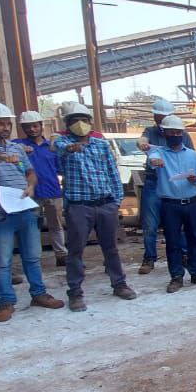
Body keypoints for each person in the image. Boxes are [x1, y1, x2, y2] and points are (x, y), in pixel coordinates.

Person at [0, 102, 60, 322]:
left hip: (24, 208)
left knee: (33, 257)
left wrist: (30, 186)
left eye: (8, 124)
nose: (6, 128)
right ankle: (6, 301)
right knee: (2, 260)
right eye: (0, 124)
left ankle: (38, 293)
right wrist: (1, 156)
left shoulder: (15, 147)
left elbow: (30, 172)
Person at [55, 103, 136, 310]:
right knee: (75, 250)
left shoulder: (101, 145)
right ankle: (75, 292)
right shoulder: (63, 144)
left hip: (105, 203)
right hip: (79, 206)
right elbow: (56, 151)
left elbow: (112, 173)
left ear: (90, 123)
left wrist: (116, 201)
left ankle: (119, 284)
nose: (80, 124)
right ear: (67, 124)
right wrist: (69, 149)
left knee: (111, 248)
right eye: (75, 121)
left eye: (84, 120)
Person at [146, 115, 196, 293]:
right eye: (171, 132)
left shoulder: (192, 155)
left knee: (193, 239)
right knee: (173, 242)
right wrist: (154, 161)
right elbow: (151, 158)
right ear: (165, 133)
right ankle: (176, 275)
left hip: (192, 202)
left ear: (182, 134)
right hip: (170, 204)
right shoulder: (159, 153)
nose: (175, 135)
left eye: (178, 132)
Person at [137, 97, 196, 274]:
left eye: (164, 117)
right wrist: (143, 145)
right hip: (154, 181)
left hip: (175, 182)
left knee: (179, 222)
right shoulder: (150, 132)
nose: (161, 120)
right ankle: (149, 257)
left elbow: (191, 156)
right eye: (158, 117)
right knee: (150, 223)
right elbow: (141, 141)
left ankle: (183, 254)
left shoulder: (183, 135)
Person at [14, 110, 68, 267]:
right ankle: (34, 256)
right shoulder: (18, 145)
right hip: (31, 193)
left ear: (41, 126)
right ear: (23, 128)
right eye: (27, 127)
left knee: (56, 225)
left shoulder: (51, 147)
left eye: (35, 126)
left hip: (52, 191)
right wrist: (20, 149)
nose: (32, 129)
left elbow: (61, 169)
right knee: (32, 226)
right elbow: (6, 151)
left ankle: (61, 254)